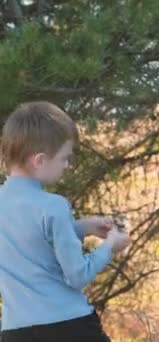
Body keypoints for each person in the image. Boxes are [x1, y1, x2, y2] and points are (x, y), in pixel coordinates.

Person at [0, 101, 130, 341]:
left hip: (14, 331)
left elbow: (28, 240)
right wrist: (109, 247)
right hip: (69, 327)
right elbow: (77, 275)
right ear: (39, 160)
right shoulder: (54, 206)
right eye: (64, 158)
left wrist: (82, 228)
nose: (67, 165)